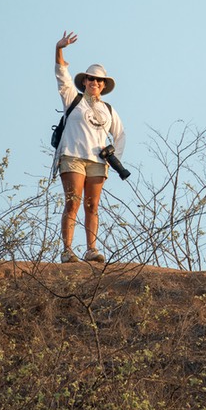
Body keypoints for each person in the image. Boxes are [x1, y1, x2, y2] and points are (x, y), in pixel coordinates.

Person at [54, 31, 126, 264]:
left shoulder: (109, 110)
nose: (94, 83)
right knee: (73, 201)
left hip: (97, 161)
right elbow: (61, 75)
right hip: (72, 156)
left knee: (92, 205)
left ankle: (91, 249)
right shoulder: (72, 99)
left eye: (99, 80)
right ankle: (67, 250)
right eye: (91, 79)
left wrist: (115, 158)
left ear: (103, 85)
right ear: (84, 81)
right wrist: (59, 49)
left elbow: (120, 135)